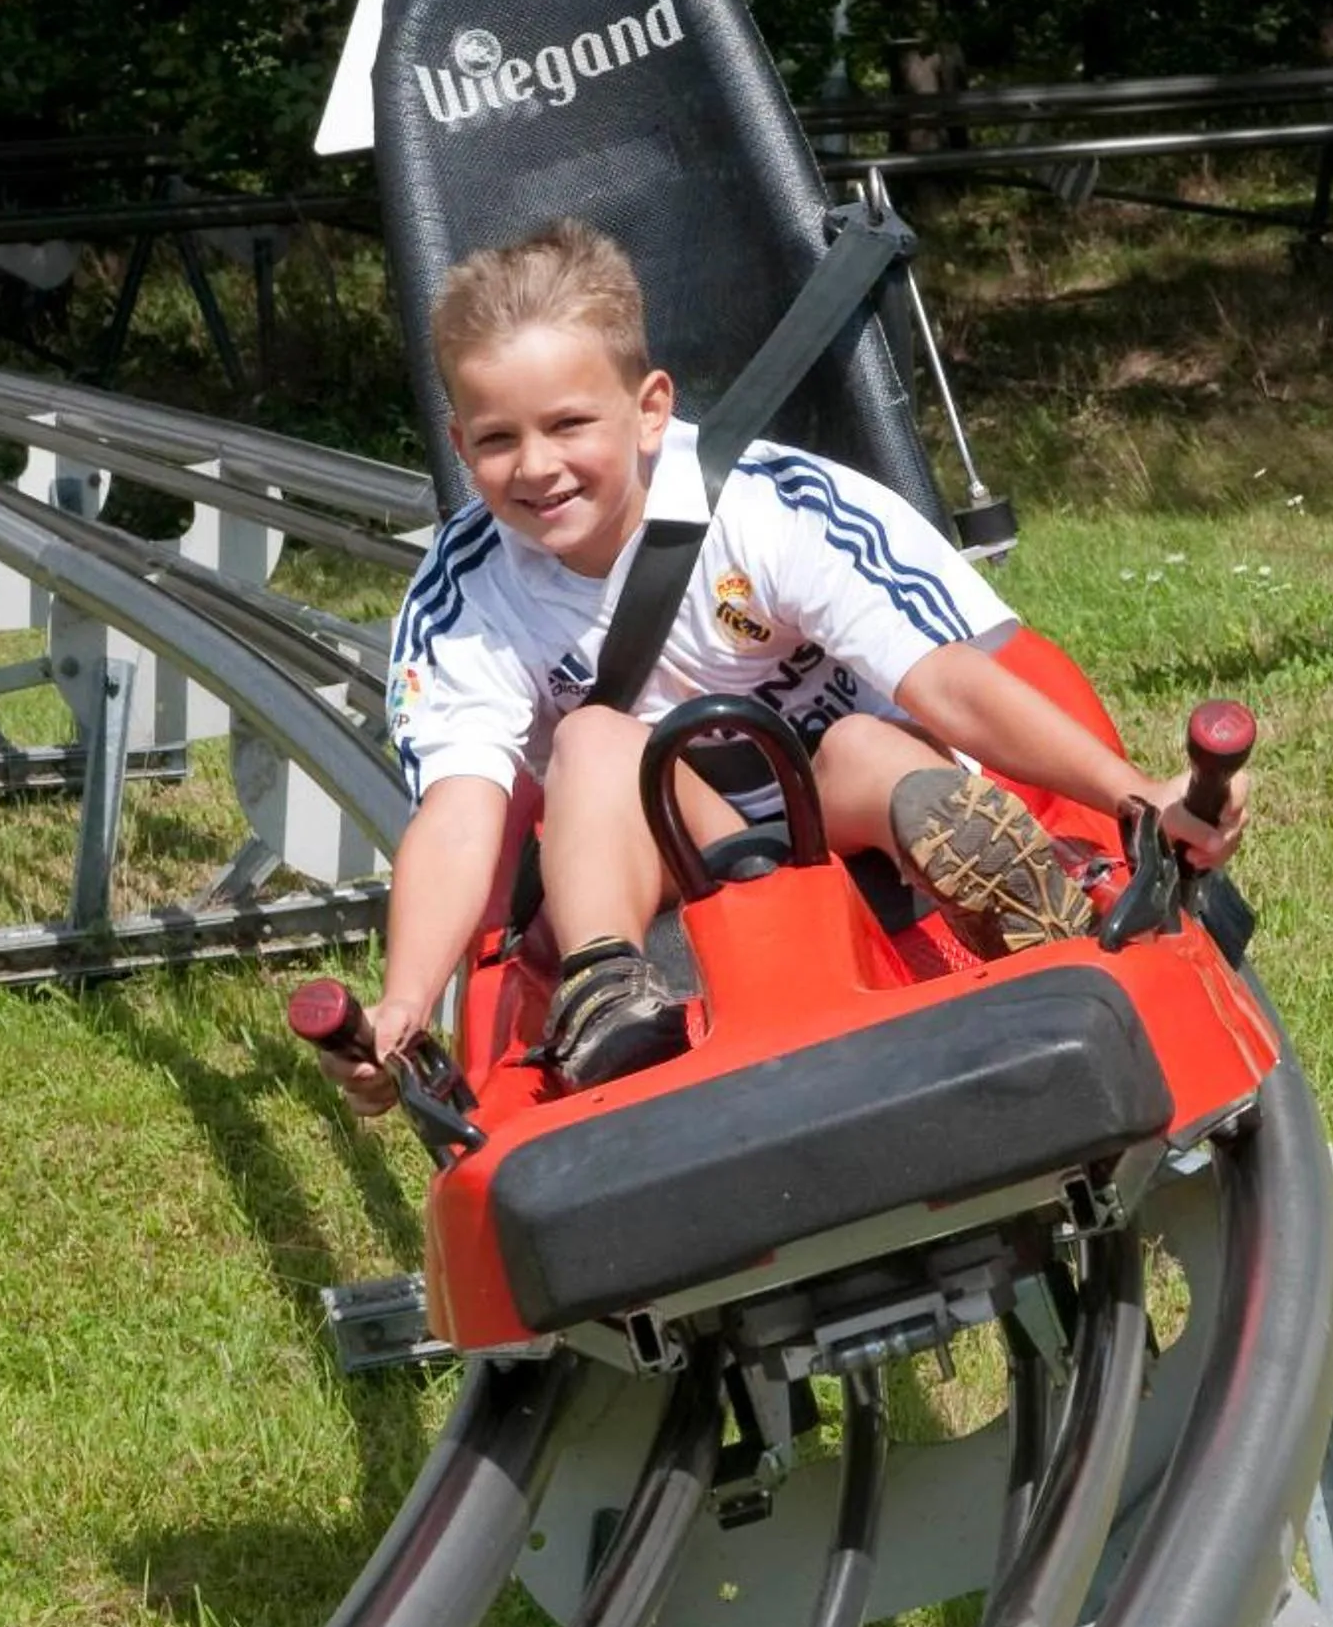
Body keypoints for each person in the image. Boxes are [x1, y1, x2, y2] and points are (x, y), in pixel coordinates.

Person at [325, 217, 1246, 1114]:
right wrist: (405, 1002)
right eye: (496, 441)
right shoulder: (466, 594)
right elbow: (458, 816)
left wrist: (1134, 794)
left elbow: (946, 679)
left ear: (651, 410)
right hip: (665, 838)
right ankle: (608, 986)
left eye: (569, 424)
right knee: (595, 737)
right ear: (459, 446)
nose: (537, 467)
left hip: (833, 799)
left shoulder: (769, 510)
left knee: (866, 745)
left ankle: (1008, 905)